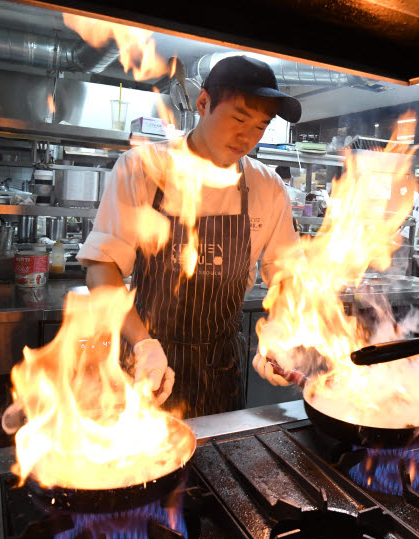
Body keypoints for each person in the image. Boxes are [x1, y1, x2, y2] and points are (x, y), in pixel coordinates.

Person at [78, 55, 301, 417]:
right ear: (203, 103)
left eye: (260, 126)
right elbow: (101, 269)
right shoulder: (141, 169)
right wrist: (143, 345)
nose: (247, 137)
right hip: (143, 367)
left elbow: (287, 275)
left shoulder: (267, 186)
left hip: (220, 371)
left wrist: (279, 331)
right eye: (239, 118)